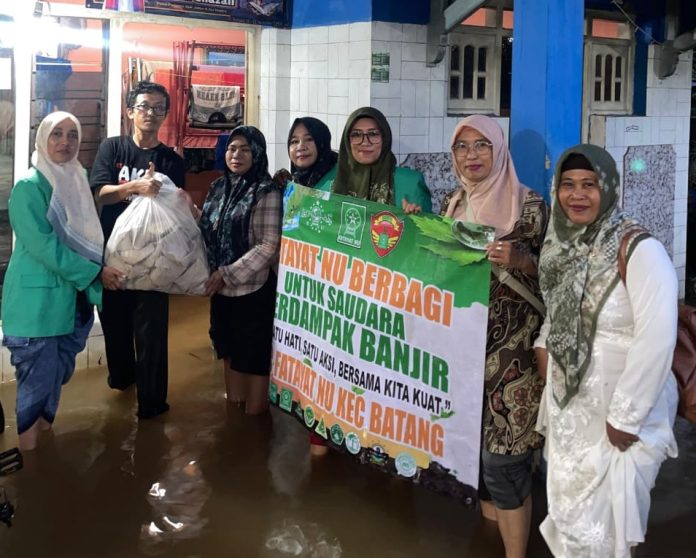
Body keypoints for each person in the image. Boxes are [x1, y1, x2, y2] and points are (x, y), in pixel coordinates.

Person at [535, 144, 678, 557]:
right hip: (570, 412)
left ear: (609, 188)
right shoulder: (560, 244)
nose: (577, 195)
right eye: (568, 185)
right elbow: (558, 310)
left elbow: (657, 336)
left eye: (590, 185)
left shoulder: (639, 248)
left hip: (617, 415)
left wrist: (626, 418)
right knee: (569, 516)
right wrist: (544, 345)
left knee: (606, 527)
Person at [442, 115, 547, 558]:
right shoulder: (452, 206)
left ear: (499, 150)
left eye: (482, 145)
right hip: (465, 355)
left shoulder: (531, 207)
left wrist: (523, 260)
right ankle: (496, 536)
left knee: (504, 462)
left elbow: (561, 278)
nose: (472, 155)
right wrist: (413, 230)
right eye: (462, 147)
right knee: (478, 460)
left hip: (514, 358)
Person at [1, 111, 122, 450]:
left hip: (72, 301)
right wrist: (95, 272)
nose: (65, 142)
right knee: (36, 386)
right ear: (42, 138)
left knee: (55, 379)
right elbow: (45, 247)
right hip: (37, 306)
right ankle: (31, 462)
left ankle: (43, 449)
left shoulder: (76, 180)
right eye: (57, 134)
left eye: (72, 135)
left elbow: (89, 236)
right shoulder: (29, 187)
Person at [90, 80, 185, 419]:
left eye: (159, 108)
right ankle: (122, 385)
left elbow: (175, 212)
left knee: (152, 336)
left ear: (165, 115)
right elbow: (100, 194)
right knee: (116, 333)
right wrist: (136, 186)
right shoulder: (113, 149)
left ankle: (152, 406)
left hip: (154, 262)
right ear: (130, 111)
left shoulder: (172, 161)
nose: (151, 113)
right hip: (113, 260)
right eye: (144, 106)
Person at [199, 126, 281, 415]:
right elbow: (208, 228)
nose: (237, 155)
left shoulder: (266, 191)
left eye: (245, 149)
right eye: (232, 148)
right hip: (221, 291)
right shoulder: (218, 187)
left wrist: (226, 273)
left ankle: (255, 421)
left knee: (254, 357)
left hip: (253, 290)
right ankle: (234, 419)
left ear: (257, 153)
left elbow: (269, 245)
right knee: (228, 349)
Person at [329, 107, 432, 213]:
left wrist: (416, 218)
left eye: (373, 134)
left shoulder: (411, 183)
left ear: (385, 138)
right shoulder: (329, 182)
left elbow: (429, 222)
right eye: (356, 134)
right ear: (347, 141)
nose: (365, 142)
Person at [275, 116, 337, 191]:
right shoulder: (290, 183)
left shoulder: (341, 179)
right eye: (294, 141)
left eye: (309, 139)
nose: (301, 147)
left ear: (322, 143)